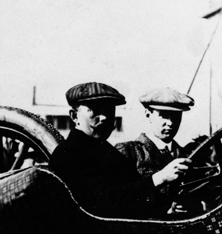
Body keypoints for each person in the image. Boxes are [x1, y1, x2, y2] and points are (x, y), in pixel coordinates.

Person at [48, 82, 171, 219]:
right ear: (74, 116)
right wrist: (158, 179)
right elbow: (101, 200)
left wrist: (168, 207)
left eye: (109, 111)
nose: (104, 118)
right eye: (94, 110)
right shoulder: (68, 154)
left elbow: (130, 197)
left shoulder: (107, 151)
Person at [115, 87, 194, 216]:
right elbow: (120, 200)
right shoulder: (128, 152)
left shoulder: (188, 155)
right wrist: (163, 210)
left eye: (176, 116)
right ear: (148, 114)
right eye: (163, 116)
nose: (170, 123)